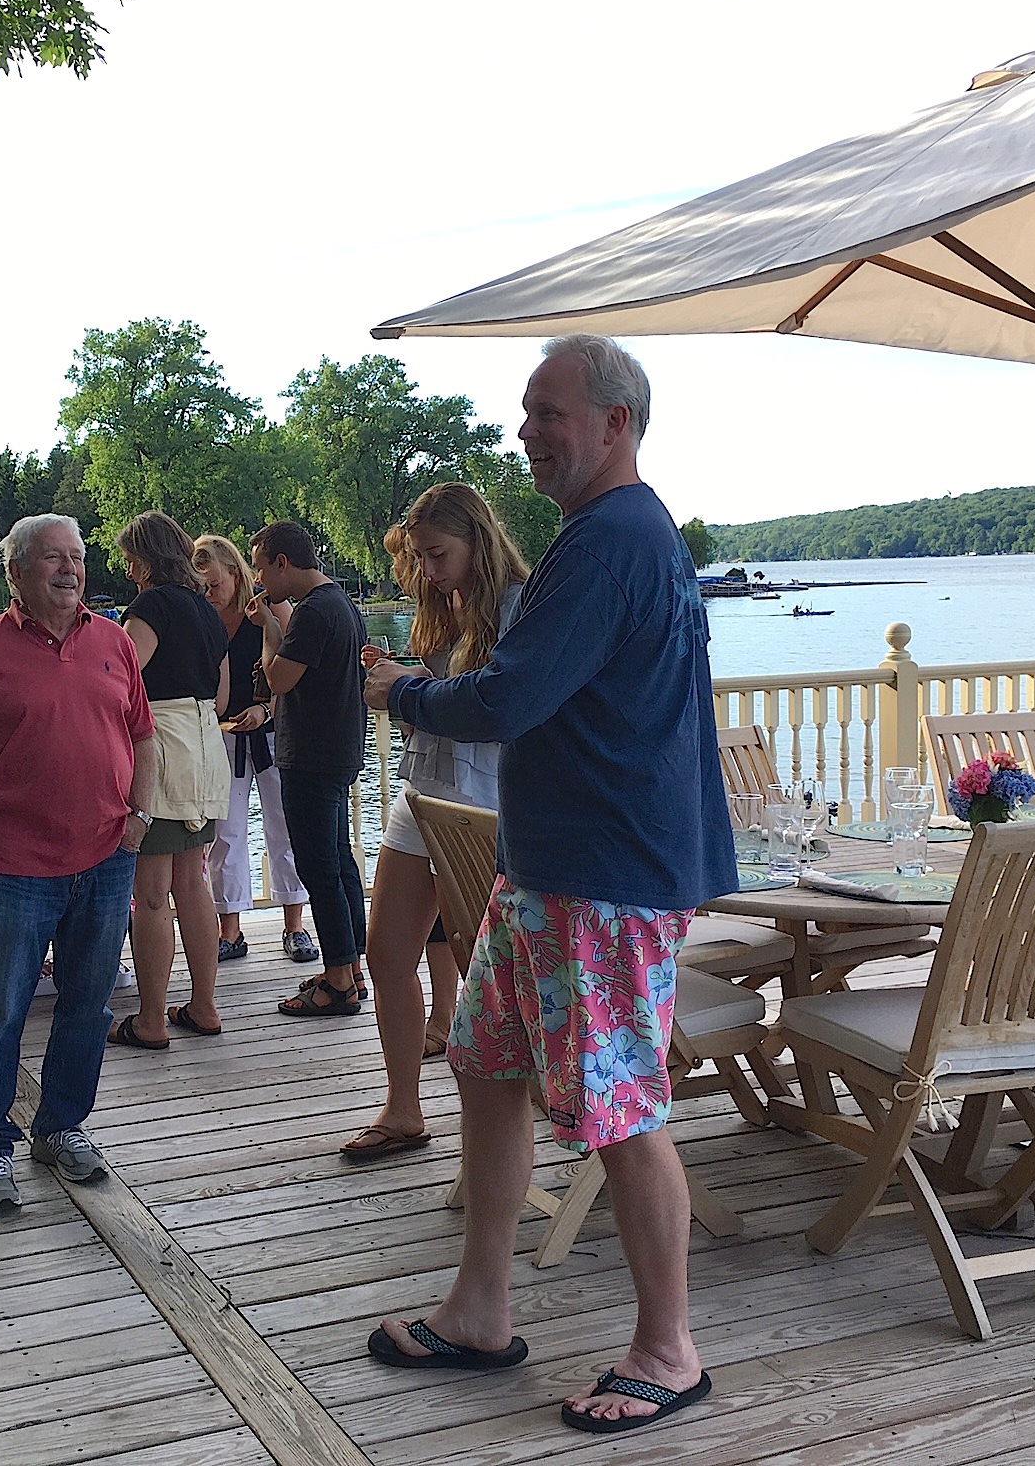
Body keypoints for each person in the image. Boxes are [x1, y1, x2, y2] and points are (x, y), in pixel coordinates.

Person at [363, 335, 735, 1437]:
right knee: (484, 1062)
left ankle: (668, 1348)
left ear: (616, 423)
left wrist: (406, 693)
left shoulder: (614, 539)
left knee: (618, 1109)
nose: (528, 432)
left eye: (549, 413)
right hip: (550, 870)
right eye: (525, 413)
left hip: (607, 877)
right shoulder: (602, 537)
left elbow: (511, 697)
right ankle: (480, 1309)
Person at [0, 513, 157, 1211]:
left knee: (87, 1006)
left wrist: (141, 817)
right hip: (13, 866)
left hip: (106, 857)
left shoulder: (115, 643)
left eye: (78, 557)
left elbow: (143, 738)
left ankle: (61, 1126)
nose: (70, 569)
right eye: (53, 559)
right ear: (16, 574)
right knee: (1, 1012)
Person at [344, 485, 528, 1161]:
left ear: (478, 540)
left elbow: (500, 708)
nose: (426, 570)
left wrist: (413, 690)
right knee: (386, 952)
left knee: (491, 970)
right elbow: (446, 694)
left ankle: (503, 1132)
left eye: (437, 554)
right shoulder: (444, 605)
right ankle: (403, 1110)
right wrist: (407, 682)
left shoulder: (519, 606)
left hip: (485, 807)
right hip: (421, 797)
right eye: (419, 557)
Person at [106, 511, 232, 1048]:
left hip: (163, 745)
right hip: (205, 746)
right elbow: (223, 697)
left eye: (132, 559)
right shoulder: (207, 610)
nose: (129, 570)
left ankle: (152, 1017)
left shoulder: (151, 607)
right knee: (194, 881)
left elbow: (119, 682)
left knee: (152, 893)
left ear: (148, 558)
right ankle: (204, 1004)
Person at [247, 521, 369, 1019]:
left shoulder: (313, 613)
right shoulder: (342, 604)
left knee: (319, 868)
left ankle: (338, 982)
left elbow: (278, 678)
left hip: (311, 757)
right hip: (338, 751)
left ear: (282, 562)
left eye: (260, 567)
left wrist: (270, 632)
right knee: (339, 863)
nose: (258, 580)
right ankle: (352, 966)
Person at [192, 534, 314, 965]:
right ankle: (231, 930)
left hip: (276, 733)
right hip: (224, 734)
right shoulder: (202, 617)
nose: (208, 593)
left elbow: (290, 671)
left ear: (232, 570)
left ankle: (295, 926)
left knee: (285, 828)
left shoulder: (269, 608)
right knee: (225, 832)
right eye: (201, 586)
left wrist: (266, 709)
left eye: (213, 584)